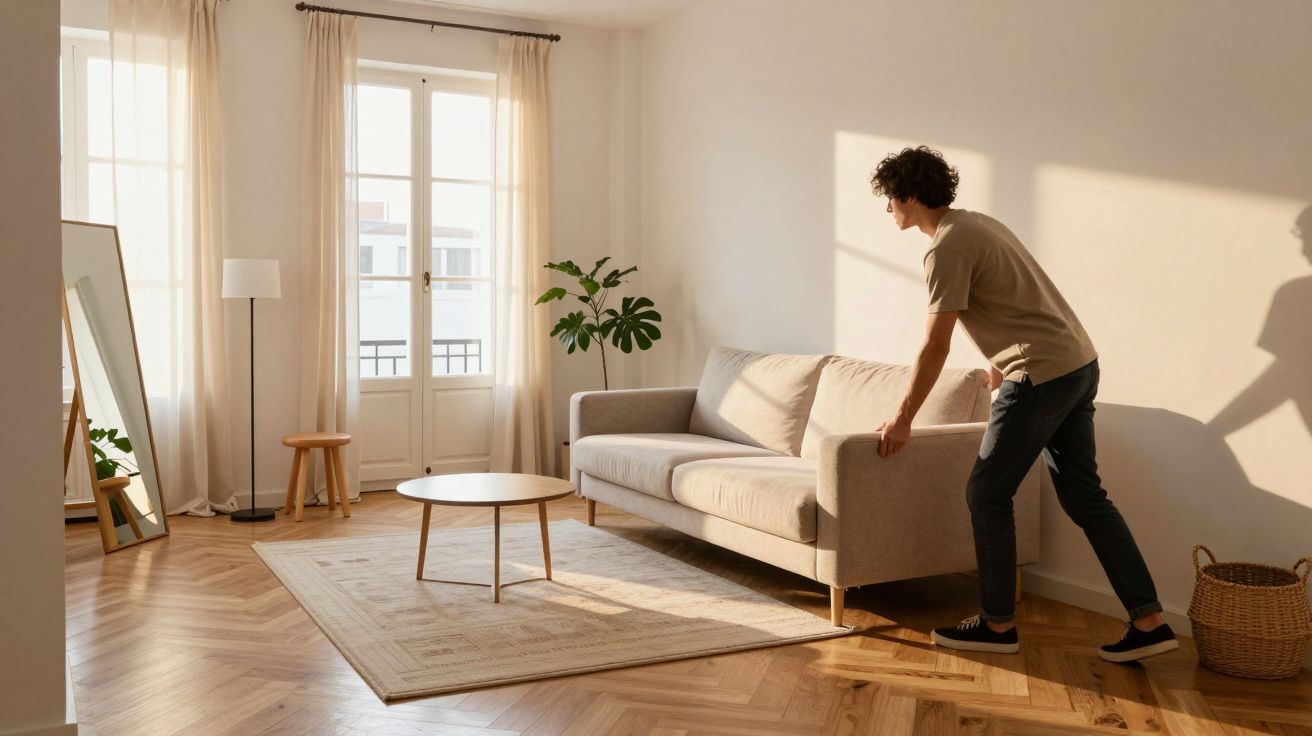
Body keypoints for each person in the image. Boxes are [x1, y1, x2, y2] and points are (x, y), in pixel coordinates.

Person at [869, 146, 1178, 663]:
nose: (888, 210)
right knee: (1085, 498)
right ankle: (1149, 620)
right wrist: (998, 360)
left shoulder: (945, 248)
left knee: (987, 492)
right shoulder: (978, 224)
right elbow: (1016, 295)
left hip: (1040, 376)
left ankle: (996, 625)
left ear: (911, 196)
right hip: (1077, 364)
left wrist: (902, 418)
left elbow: (935, 344)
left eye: (890, 199)